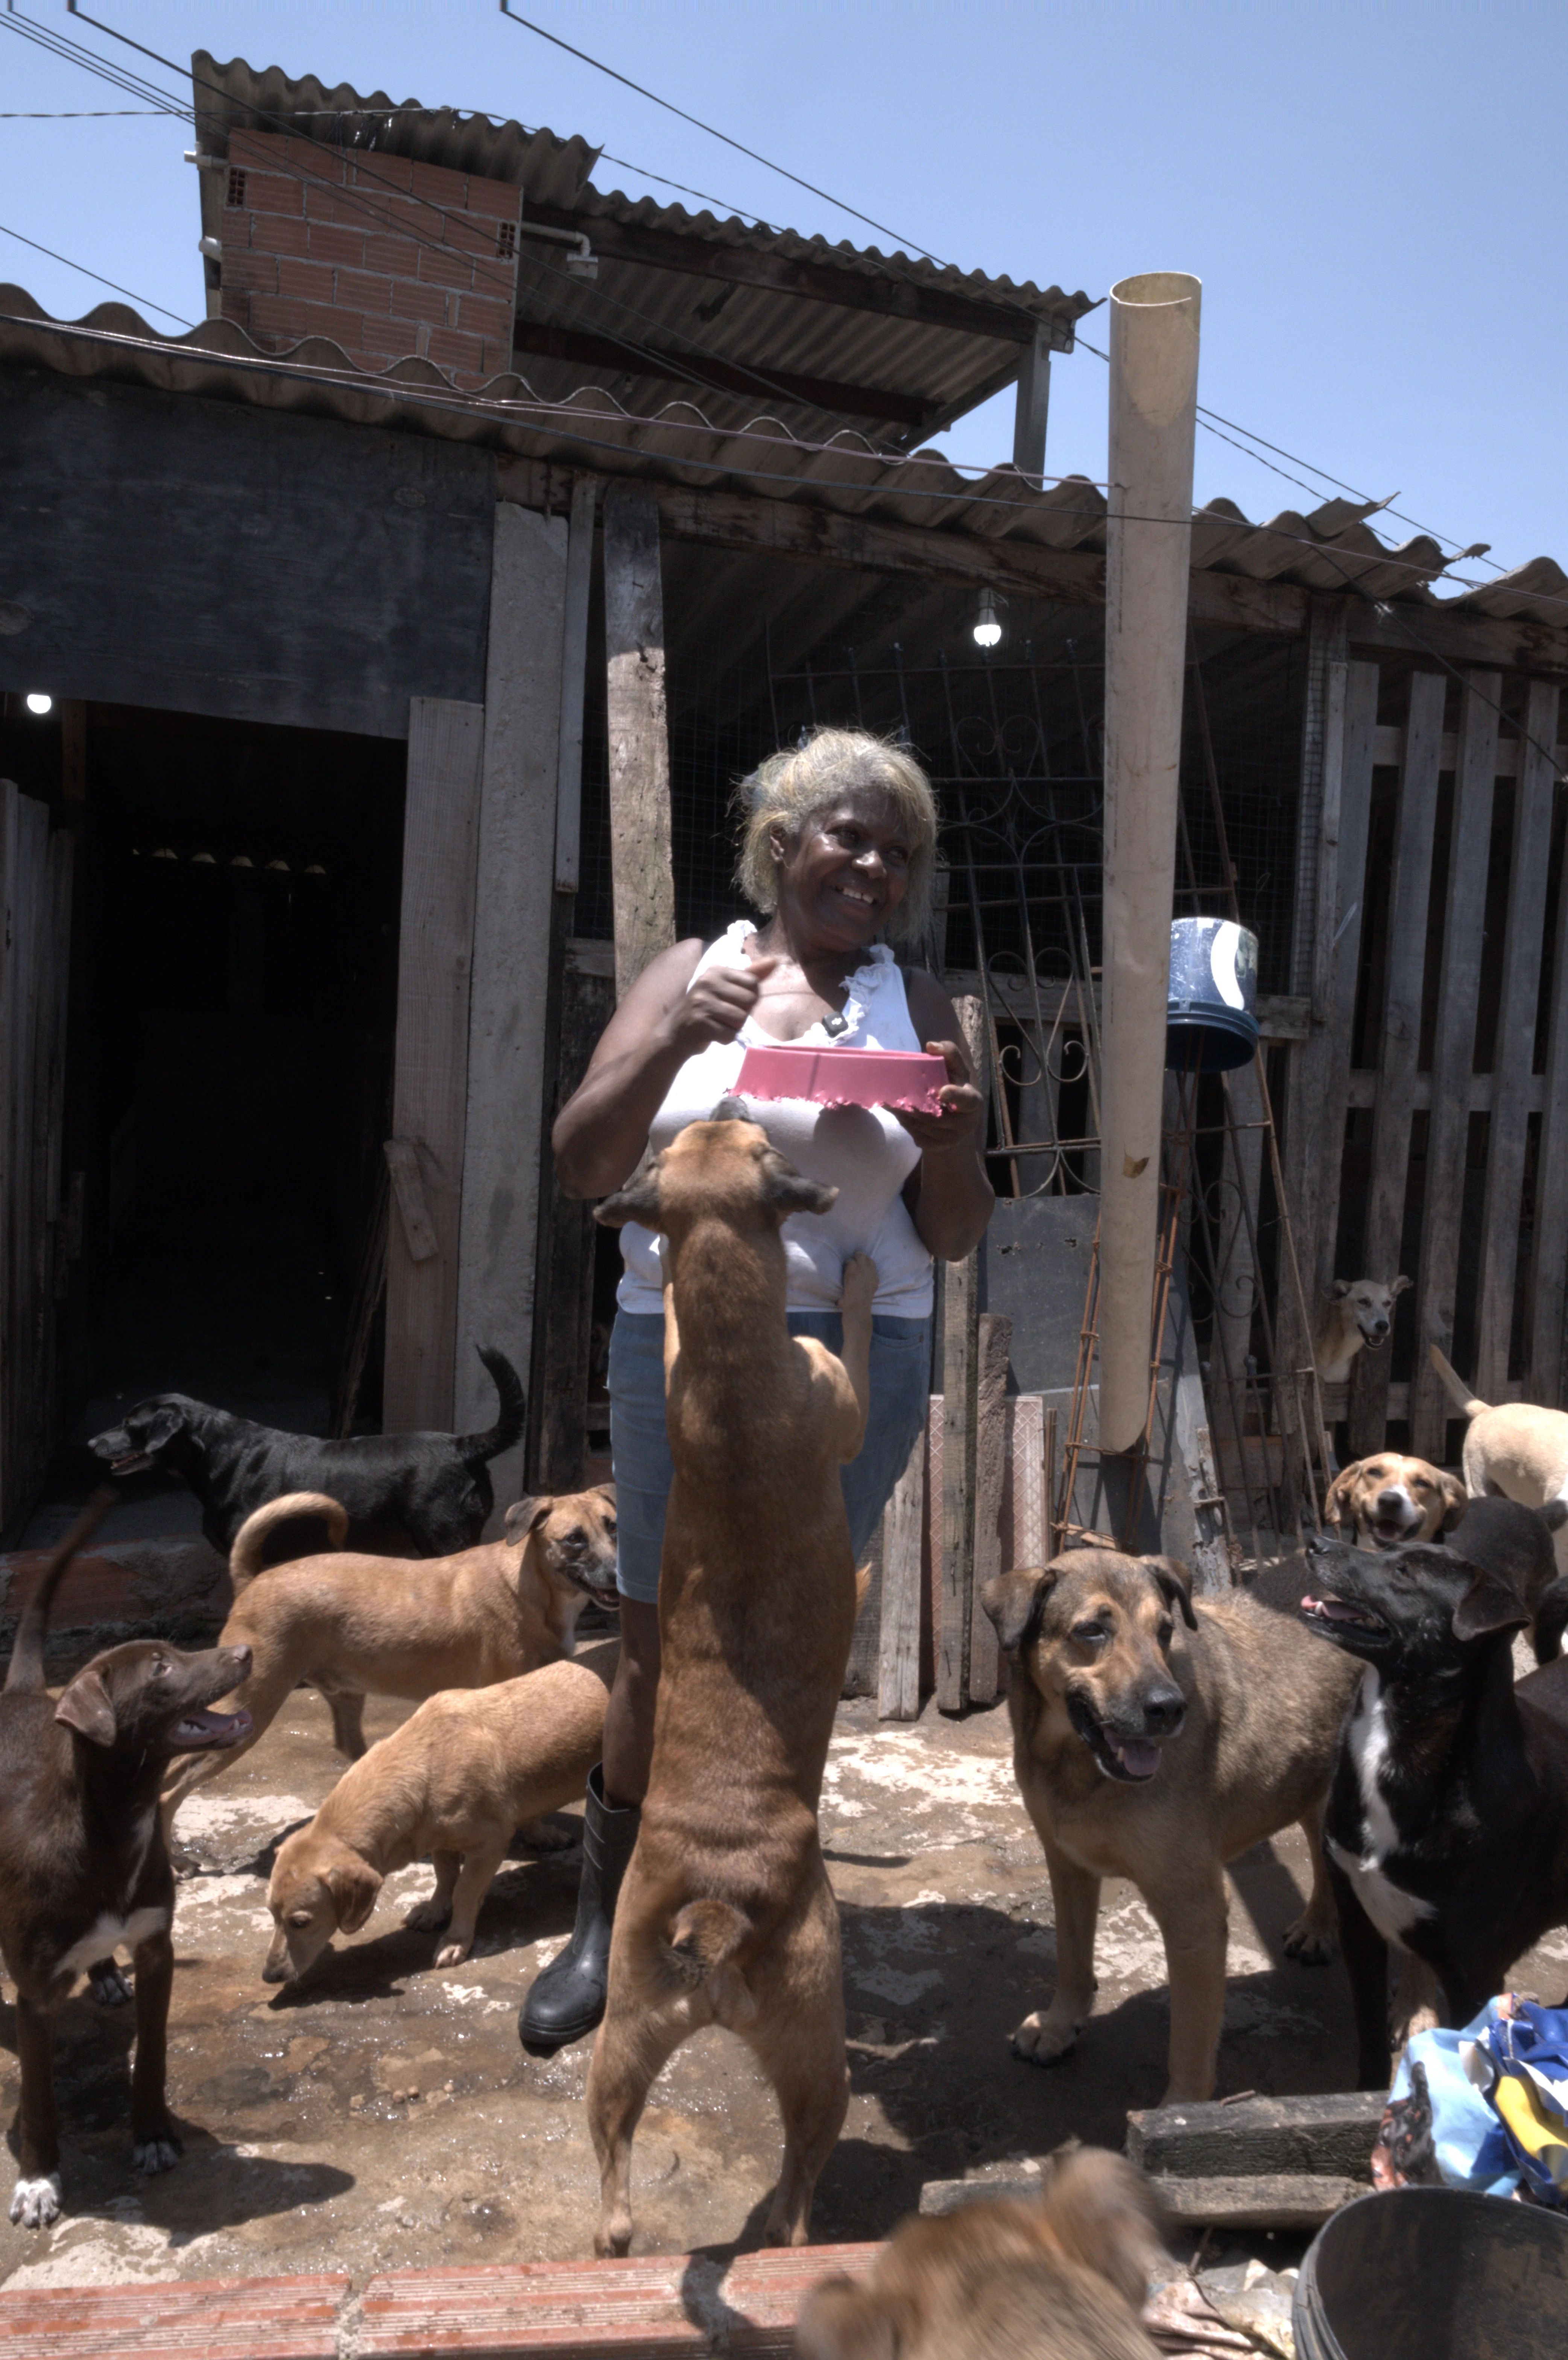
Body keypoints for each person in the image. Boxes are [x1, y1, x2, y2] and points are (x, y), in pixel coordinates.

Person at [519, 727, 994, 2052]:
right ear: (783, 841)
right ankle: (605, 1927)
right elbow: (578, 1161)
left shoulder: (921, 1003)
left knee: (788, 1634)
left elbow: (955, 1234)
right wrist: (674, 1031)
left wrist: (952, 1142)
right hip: (682, 1346)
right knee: (660, 1634)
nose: (877, 868)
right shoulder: (698, 971)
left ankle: (769, 1909)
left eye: (900, 851)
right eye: (852, 836)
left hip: (862, 1348)